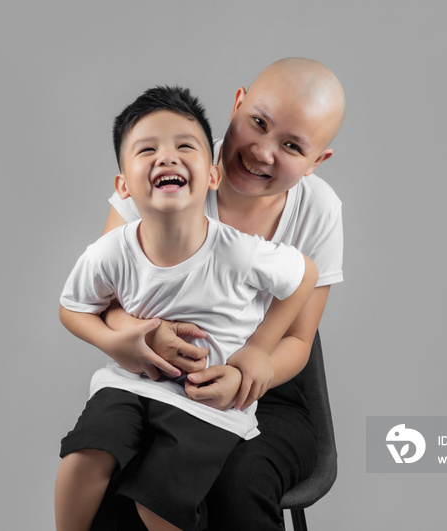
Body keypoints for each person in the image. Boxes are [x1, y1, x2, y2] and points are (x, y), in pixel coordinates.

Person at [55, 86, 318, 531]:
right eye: (147, 150)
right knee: (85, 457)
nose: (167, 157)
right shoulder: (111, 251)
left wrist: (256, 348)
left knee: (158, 501)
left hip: (206, 403)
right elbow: (72, 309)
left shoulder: (238, 252)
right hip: (129, 384)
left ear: (212, 176)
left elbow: (305, 275)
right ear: (123, 186)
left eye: (184, 146)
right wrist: (118, 342)